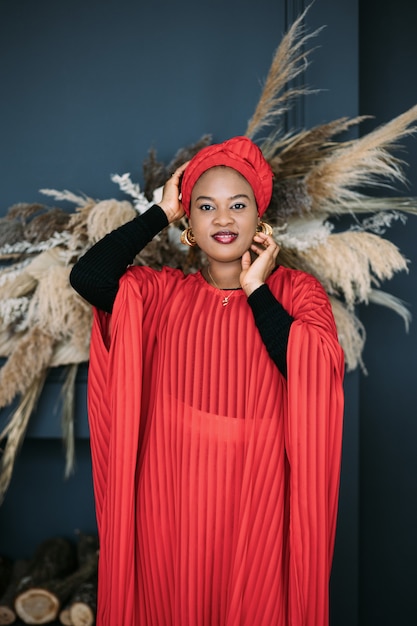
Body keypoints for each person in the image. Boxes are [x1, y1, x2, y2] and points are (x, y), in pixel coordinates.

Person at [70, 136, 345, 626]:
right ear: (189, 226)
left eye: (237, 205)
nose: (223, 219)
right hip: (169, 504)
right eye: (206, 207)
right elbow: (89, 277)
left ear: (258, 216)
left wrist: (256, 289)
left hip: (257, 504)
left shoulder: (297, 292)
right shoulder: (159, 293)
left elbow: (317, 370)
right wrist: (159, 213)